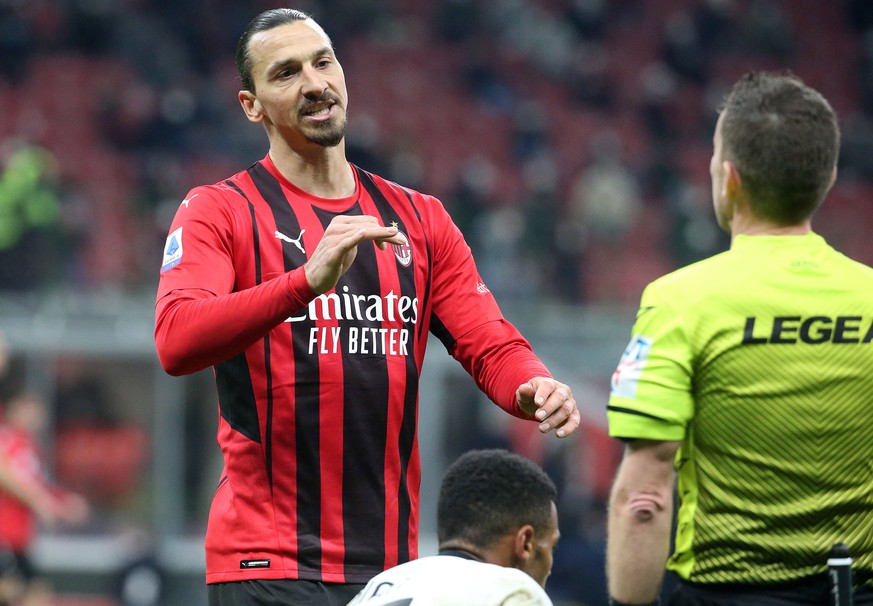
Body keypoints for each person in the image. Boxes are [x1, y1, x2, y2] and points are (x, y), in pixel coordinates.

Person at [153, 8, 581, 606]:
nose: (313, 83)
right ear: (252, 105)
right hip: (267, 563)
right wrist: (303, 282)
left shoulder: (421, 217)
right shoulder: (218, 211)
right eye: (286, 74)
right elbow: (176, 340)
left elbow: (488, 341)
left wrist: (532, 384)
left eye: (322, 62)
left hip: (389, 575)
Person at [604, 70, 873, 606]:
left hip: (722, 592)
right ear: (827, 175)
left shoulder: (679, 302)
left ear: (728, 176)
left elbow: (646, 495)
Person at [347, 448, 559, 605]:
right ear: (526, 543)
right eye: (552, 546)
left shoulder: (375, 587)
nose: (550, 569)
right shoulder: (513, 590)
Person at [0, 391, 90, 606]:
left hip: (19, 540)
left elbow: (36, 486)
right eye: (30, 410)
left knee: (36, 595)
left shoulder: (29, 446)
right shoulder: (6, 440)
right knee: (18, 592)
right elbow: (8, 478)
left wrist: (63, 502)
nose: (36, 417)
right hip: (4, 534)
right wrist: (40, 501)